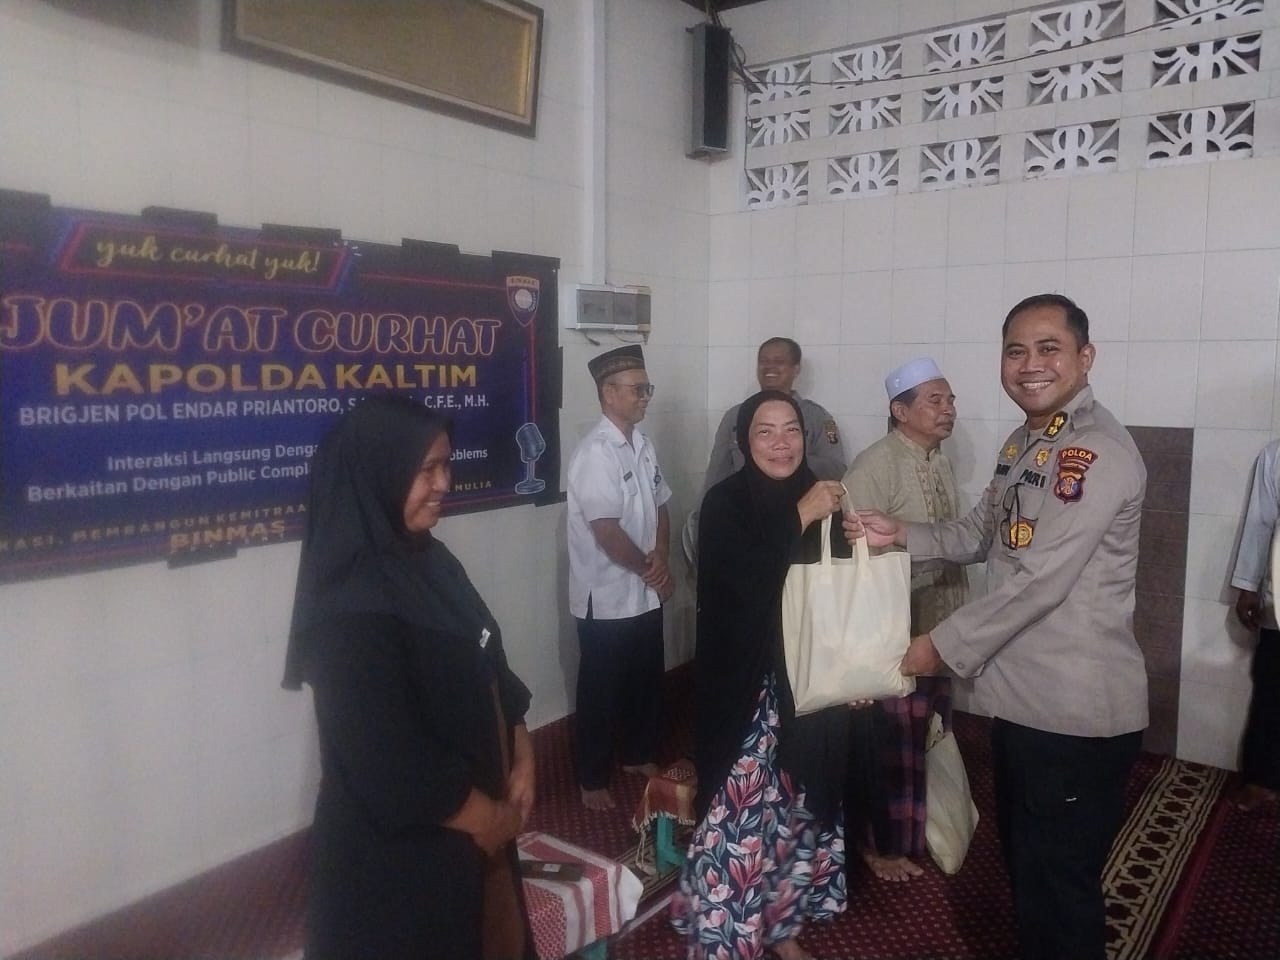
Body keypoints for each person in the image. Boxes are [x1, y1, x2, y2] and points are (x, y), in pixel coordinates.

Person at [847, 294, 1147, 960]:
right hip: (1025, 702)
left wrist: (934, 649)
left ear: (1085, 357)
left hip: (1073, 710)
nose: (1030, 364)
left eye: (1049, 348)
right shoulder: (1026, 443)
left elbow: (1041, 581)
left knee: (1059, 887)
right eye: (1016, 350)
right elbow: (978, 533)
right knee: (1030, 871)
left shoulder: (1093, 452)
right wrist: (901, 534)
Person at [283, 394, 536, 960]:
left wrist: (523, 754)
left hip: (479, 843)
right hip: (403, 873)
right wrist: (491, 818)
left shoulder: (433, 562)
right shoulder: (347, 608)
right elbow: (389, 762)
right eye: (427, 469)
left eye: (447, 465)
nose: (444, 483)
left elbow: (492, 661)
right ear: (382, 472)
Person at [672, 390, 853, 960]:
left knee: (796, 806)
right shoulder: (725, 503)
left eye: (791, 430)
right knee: (740, 807)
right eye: (765, 432)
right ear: (743, 442)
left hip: (810, 685)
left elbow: (840, 596)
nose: (781, 443)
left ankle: (780, 927)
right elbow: (742, 587)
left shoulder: (822, 495)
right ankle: (724, 930)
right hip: (747, 688)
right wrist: (799, 515)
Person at [842, 357, 968, 882]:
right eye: (935, 401)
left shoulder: (938, 459)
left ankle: (919, 834)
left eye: (950, 400)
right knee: (889, 742)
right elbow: (852, 557)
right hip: (893, 631)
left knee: (925, 735)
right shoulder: (874, 465)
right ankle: (878, 846)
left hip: (937, 626)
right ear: (900, 411)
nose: (948, 410)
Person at [567, 344, 674, 811]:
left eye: (647, 388)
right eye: (637, 389)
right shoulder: (595, 453)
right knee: (600, 690)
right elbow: (606, 531)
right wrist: (653, 570)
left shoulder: (643, 445)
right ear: (608, 393)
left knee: (645, 679)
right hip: (607, 596)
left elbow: (662, 505)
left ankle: (637, 754)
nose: (645, 396)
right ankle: (591, 779)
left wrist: (662, 555)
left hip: (643, 592)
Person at [684, 338, 846, 563]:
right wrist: (703, 525)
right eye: (764, 361)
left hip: (806, 532)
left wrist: (788, 461)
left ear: (796, 369)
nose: (770, 367)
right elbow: (716, 474)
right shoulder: (736, 416)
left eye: (779, 361)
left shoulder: (817, 417)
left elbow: (836, 469)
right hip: (744, 523)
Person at [1228, 439, 1280, 811]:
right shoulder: (1276, 455)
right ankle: (1263, 781)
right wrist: (1247, 586)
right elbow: (1261, 521)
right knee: (1272, 687)